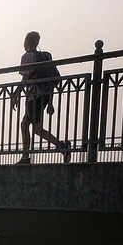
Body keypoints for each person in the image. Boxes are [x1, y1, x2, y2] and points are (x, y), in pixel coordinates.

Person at [11, 31, 71, 164]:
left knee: (36, 128)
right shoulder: (46, 56)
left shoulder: (27, 56)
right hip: (44, 95)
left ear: (26, 42)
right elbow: (52, 79)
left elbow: (25, 78)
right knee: (25, 124)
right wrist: (50, 102)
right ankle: (26, 156)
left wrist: (15, 95)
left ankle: (62, 147)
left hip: (35, 96)